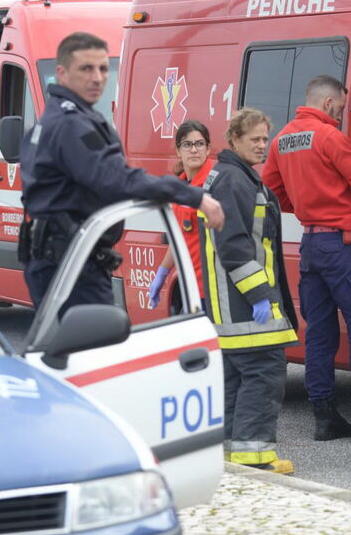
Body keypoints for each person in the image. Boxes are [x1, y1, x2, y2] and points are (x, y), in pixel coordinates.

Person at [20, 32, 224, 311]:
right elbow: (117, 179)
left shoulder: (54, 120)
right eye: (86, 68)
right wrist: (192, 195)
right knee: (94, 349)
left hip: (61, 257)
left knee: (74, 350)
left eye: (103, 69)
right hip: (72, 263)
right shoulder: (71, 125)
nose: (97, 77)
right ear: (62, 73)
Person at [262, 75, 351, 443]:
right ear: (326, 103)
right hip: (341, 245)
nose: (341, 113)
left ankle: (324, 416)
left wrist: (306, 205)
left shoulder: (282, 139)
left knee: (319, 333)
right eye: (339, 106)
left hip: (311, 247)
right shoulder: (328, 136)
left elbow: (272, 192)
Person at [199, 108, 299, 474]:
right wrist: (261, 298)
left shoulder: (229, 177)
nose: (262, 145)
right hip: (245, 307)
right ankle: (255, 458)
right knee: (263, 374)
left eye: (264, 139)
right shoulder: (234, 182)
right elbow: (235, 247)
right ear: (234, 139)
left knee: (236, 379)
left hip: (228, 310)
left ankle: (232, 455)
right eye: (254, 139)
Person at [147, 120, 215, 311]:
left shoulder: (215, 184)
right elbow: (180, 239)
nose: (194, 150)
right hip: (190, 288)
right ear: (178, 151)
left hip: (214, 292)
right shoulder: (179, 188)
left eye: (199, 144)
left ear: (208, 148)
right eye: (187, 145)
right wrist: (162, 272)